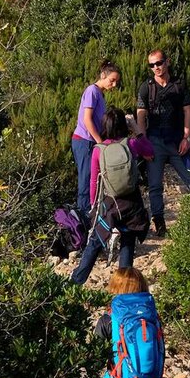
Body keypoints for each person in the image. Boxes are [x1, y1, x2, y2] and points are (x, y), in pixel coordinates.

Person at [70, 110, 154, 284]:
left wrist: (94, 207)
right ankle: (123, 287)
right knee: (128, 242)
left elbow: (94, 182)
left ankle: (76, 282)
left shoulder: (99, 150)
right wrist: (136, 128)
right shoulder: (130, 144)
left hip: (109, 206)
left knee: (94, 243)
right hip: (132, 204)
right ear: (124, 126)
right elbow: (149, 151)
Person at [136, 50, 190, 237]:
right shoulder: (147, 87)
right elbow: (141, 115)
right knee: (154, 185)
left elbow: (187, 111)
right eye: (151, 65)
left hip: (177, 139)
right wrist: (143, 143)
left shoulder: (179, 85)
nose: (156, 68)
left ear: (167, 62)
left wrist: (186, 137)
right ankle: (159, 222)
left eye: (158, 63)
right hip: (155, 140)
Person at [72, 61, 121, 222]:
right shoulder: (92, 91)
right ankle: (82, 222)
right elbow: (87, 120)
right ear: (103, 76)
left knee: (93, 180)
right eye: (111, 80)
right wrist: (100, 142)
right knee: (85, 182)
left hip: (90, 142)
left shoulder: (99, 94)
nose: (113, 84)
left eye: (116, 82)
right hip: (84, 141)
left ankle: (90, 217)